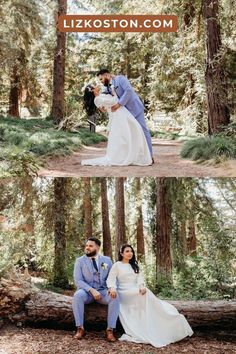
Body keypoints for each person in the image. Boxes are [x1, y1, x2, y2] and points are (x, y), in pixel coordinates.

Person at [106, 244, 194, 348]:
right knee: (142, 294)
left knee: (145, 292)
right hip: (124, 291)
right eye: (127, 251)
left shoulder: (134, 265)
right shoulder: (117, 265)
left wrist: (142, 286)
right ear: (121, 253)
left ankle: (159, 317)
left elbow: (140, 279)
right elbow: (110, 279)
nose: (130, 253)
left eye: (131, 251)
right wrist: (112, 288)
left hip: (134, 288)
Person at [81, 84, 152, 166]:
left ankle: (132, 155)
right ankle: (123, 156)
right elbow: (114, 101)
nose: (97, 85)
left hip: (122, 113)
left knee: (133, 131)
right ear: (92, 90)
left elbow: (107, 106)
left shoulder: (101, 95)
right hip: (118, 115)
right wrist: (114, 92)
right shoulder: (97, 99)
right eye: (95, 86)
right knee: (124, 135)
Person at [97, 68, 153, 162]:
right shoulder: (107, 88)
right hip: (125, 113)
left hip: (135, 108)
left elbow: (128, 91)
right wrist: (101, 105)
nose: (101, 82)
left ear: (107, 75)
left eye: (101, 79)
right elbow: (105, 98)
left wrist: (119, 104)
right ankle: (133, 156)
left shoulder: (120, 79)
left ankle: (150, 157)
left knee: (143, 130)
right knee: (129, 134)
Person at [72, 237, 119, 342]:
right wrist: (91, 290)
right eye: (86, 245)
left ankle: (110, 329)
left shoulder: (107, 260)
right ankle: (80, 328)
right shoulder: (79, 261)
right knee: (77, 296)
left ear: (97, 247)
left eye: (90, 246)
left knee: (115, 297)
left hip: (102, 291)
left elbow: (112, 277)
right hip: (86, 292)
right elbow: (78, 281)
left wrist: (112, 288)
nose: (87, 248)